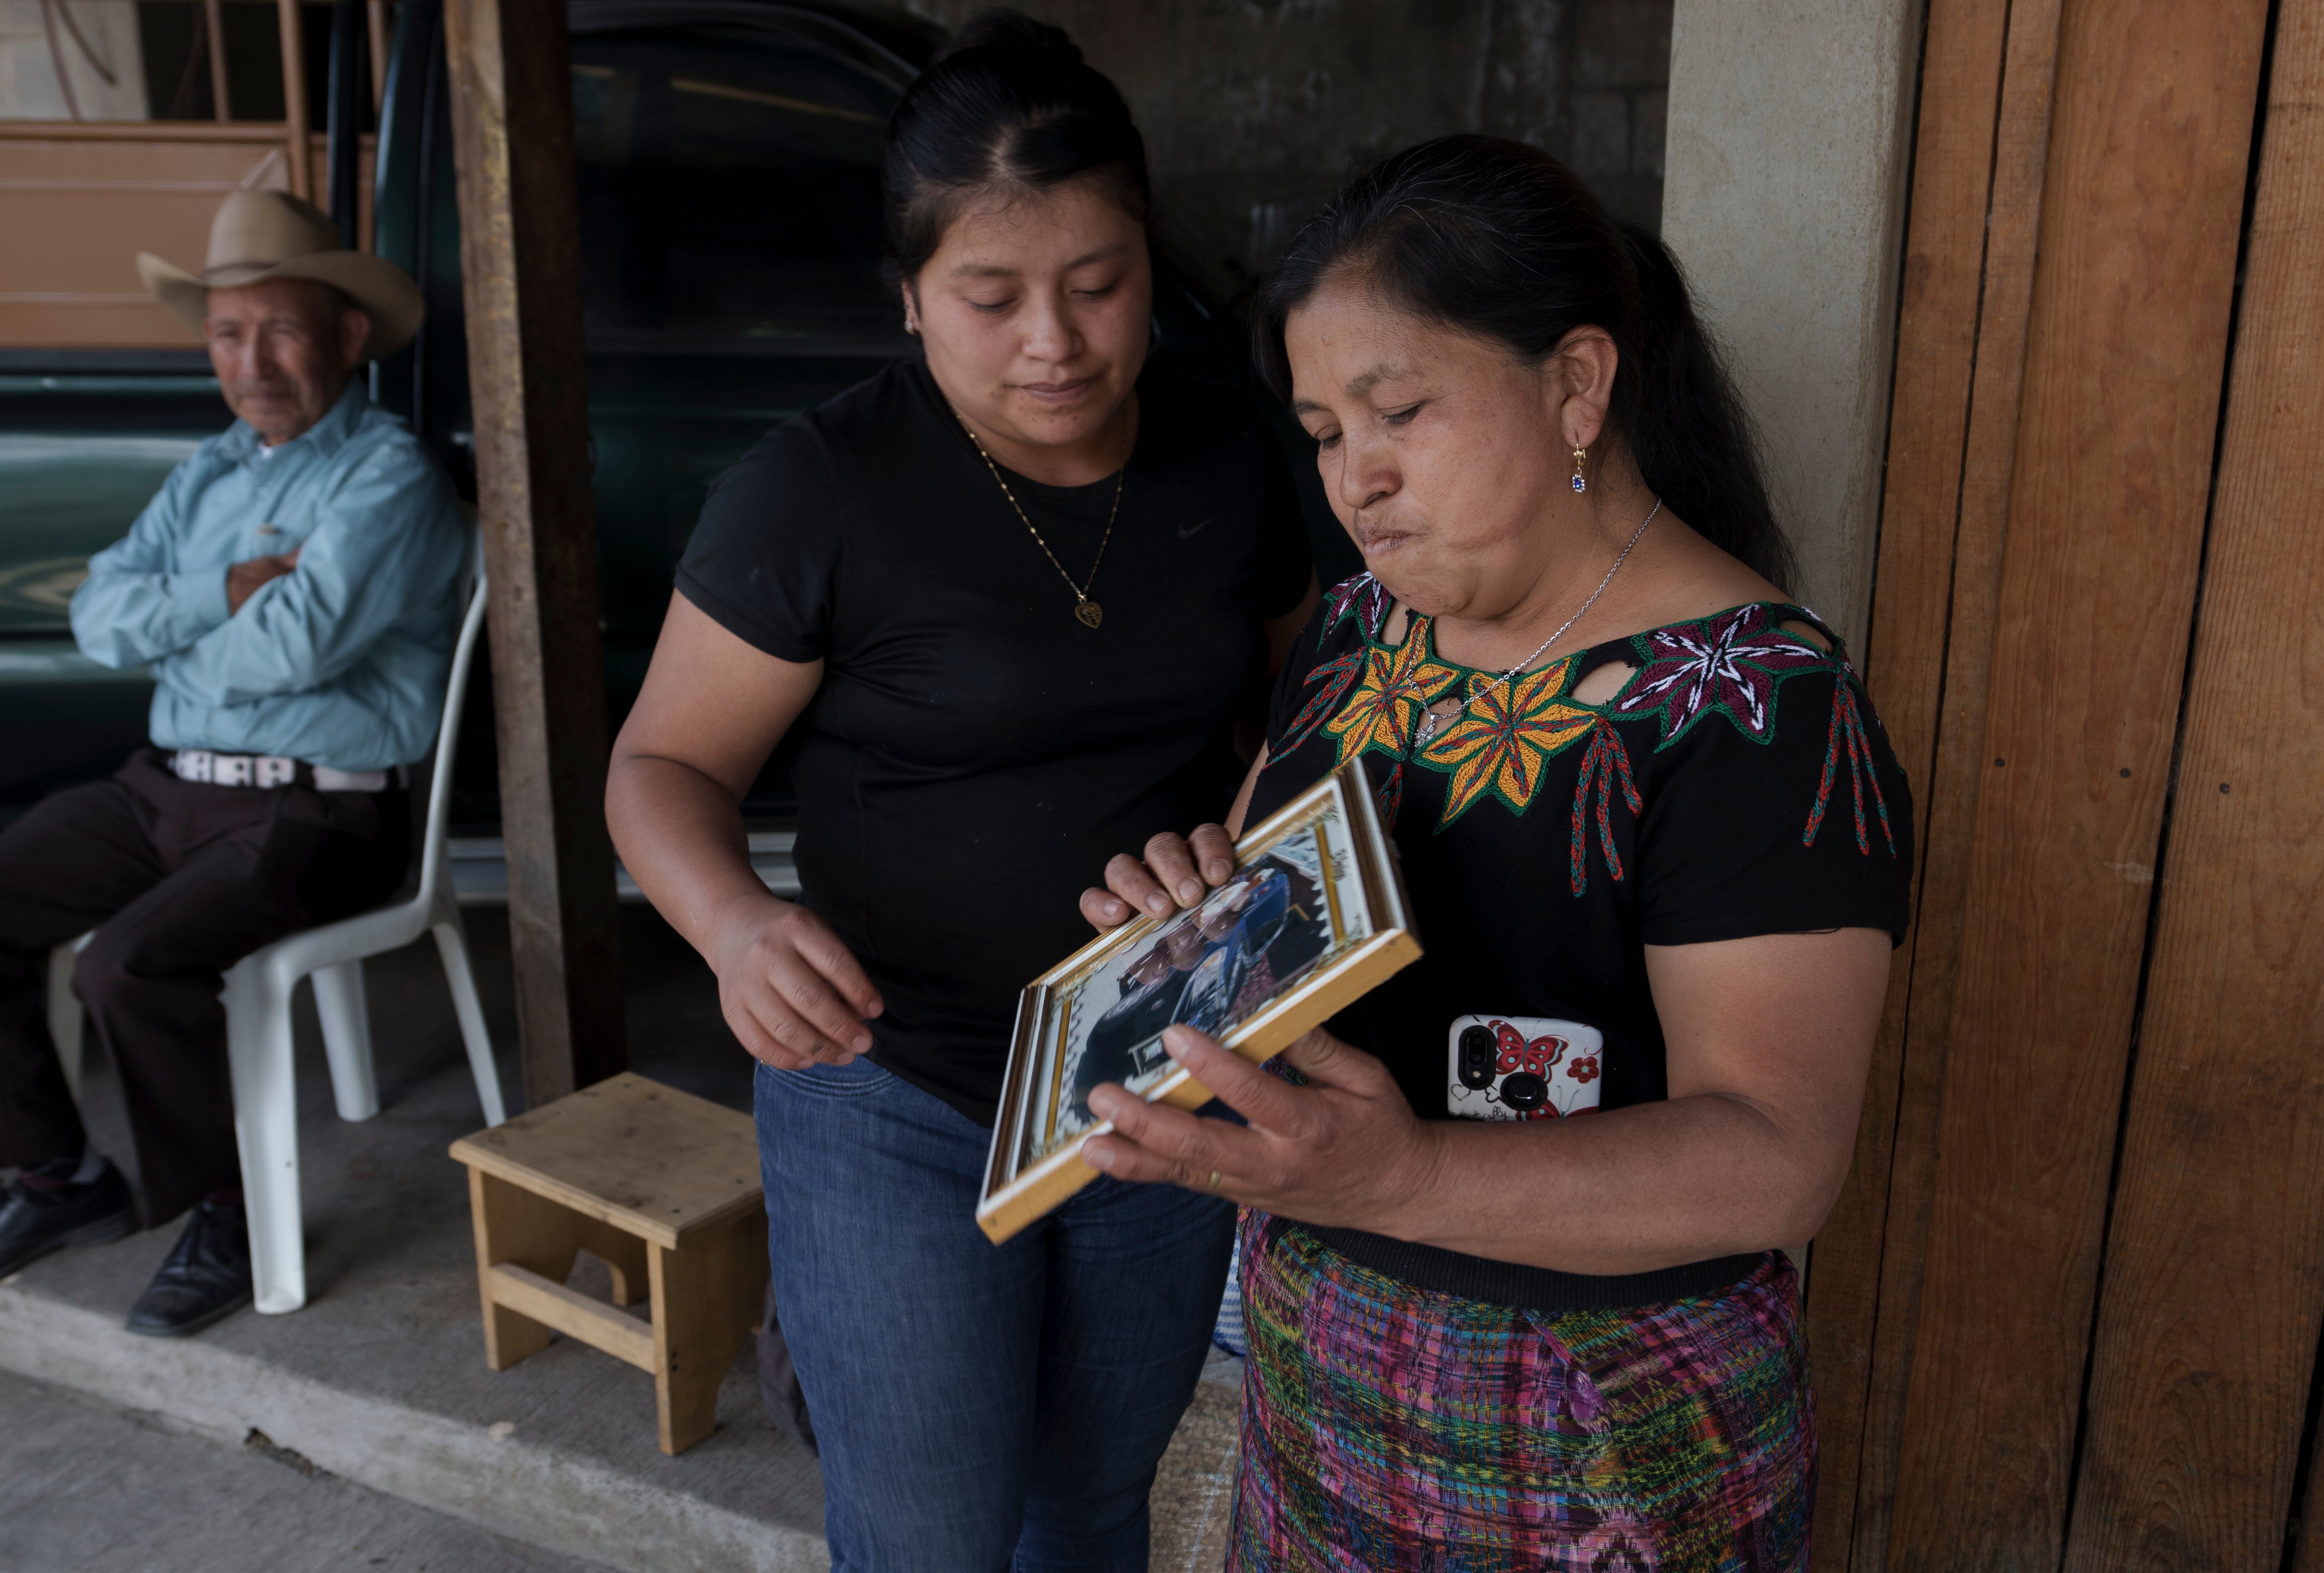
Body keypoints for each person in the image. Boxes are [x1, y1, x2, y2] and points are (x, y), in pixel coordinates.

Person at [1077, 136, 1913, 1569]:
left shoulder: (1757, 709)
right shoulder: (1359, 627)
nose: (1358, 479)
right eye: (1328, 431)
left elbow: (1777, 1160)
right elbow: (1304, 922)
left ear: (1578, 385)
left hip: (1598, 1421)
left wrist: (1399, 1180)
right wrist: (1200, 928)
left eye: (1400, 410)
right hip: (1320, 1355)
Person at [605, 13, 1313, 1570]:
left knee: (1088, 1506)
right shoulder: (819, 490)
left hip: (1158, 1072)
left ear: (1148, 258)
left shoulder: (1229, 458)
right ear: (913, 295)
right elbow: (662, 765)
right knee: (926, 1533)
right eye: (991, 297)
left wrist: (1254, 830)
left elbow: (1301, 711)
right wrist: (731, 930)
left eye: (1098, 283)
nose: (1052, 340)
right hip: (892, 1086)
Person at [0, 189, 463, 1338]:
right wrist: (221, 593)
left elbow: (298, 647)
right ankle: (56, 1180)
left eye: (282, 330)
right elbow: (97, 615)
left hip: (319, 815)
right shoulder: (212, 471)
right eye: (229, 334)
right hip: (170, 784)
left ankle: (225, 1215)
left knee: (126, 969)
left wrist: (179, 641)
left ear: (345, 336)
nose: (254, 361)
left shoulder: (387, 475)